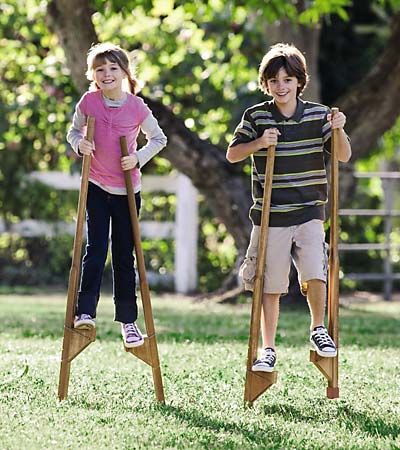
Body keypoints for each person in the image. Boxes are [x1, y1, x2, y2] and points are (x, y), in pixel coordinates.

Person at [226, 43, 351, 372]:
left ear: (299, 81)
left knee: (315, 269)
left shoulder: (318, 114)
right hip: (272, 215)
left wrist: (338, 128)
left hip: (309, 210)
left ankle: (318, 328)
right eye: (274, 80)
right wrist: (259, 143)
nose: (281, 86)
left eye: (288, 79)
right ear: (265, 84)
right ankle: (268, 349)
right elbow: (233, 154)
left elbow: (342, 155)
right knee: (271, 284)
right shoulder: (256, 116)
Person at [67, 42, 167, 348]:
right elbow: (73, 132)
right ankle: (85, 312)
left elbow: (158, 139)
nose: (106, 74)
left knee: (125, 255)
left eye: (113, 68)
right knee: (95, 249)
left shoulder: (137, 107)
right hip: (97, 186)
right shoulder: (88, 102)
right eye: (100, 69)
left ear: (124, 72)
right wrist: (79, 144)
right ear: (93, 75)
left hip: (126, 190)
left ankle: (128, 321)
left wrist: (137, 158)